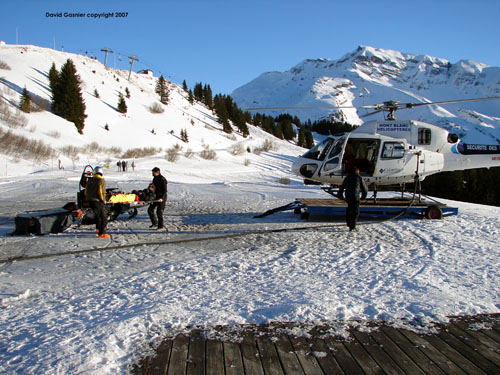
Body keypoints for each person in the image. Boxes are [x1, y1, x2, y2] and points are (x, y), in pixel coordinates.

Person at [338, 166, 368, 231]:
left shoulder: (347, 177)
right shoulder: (359, 177)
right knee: (355, 211)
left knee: (349, 208)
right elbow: (364, 188)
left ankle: (348, 223)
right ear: (358, 171)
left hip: (348, 195)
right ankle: (352, 227)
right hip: (356, 196)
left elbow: (342, 187)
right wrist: (363, 197)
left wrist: (341, 195)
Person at [85, 166, 110, 238]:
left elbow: (86, 191)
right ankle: (102, 233)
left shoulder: (89, 180)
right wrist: (103, 200)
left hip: (89, 200)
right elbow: (101, 192)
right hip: (97, 200)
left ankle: (98, 229)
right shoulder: (101, 180)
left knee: (98, 216)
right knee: (104, 217)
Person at [148, 167, 168, 231]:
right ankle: (155, 223)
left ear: (157, 172)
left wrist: (162, 198)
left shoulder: (162, 179)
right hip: (156, 197)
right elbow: (154, 188)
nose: (152, 173)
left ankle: (161, 226)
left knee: (159, 212)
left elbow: (165, 190)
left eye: (153, 172)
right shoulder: (154, 178)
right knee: (150, 210)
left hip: (162, 197)